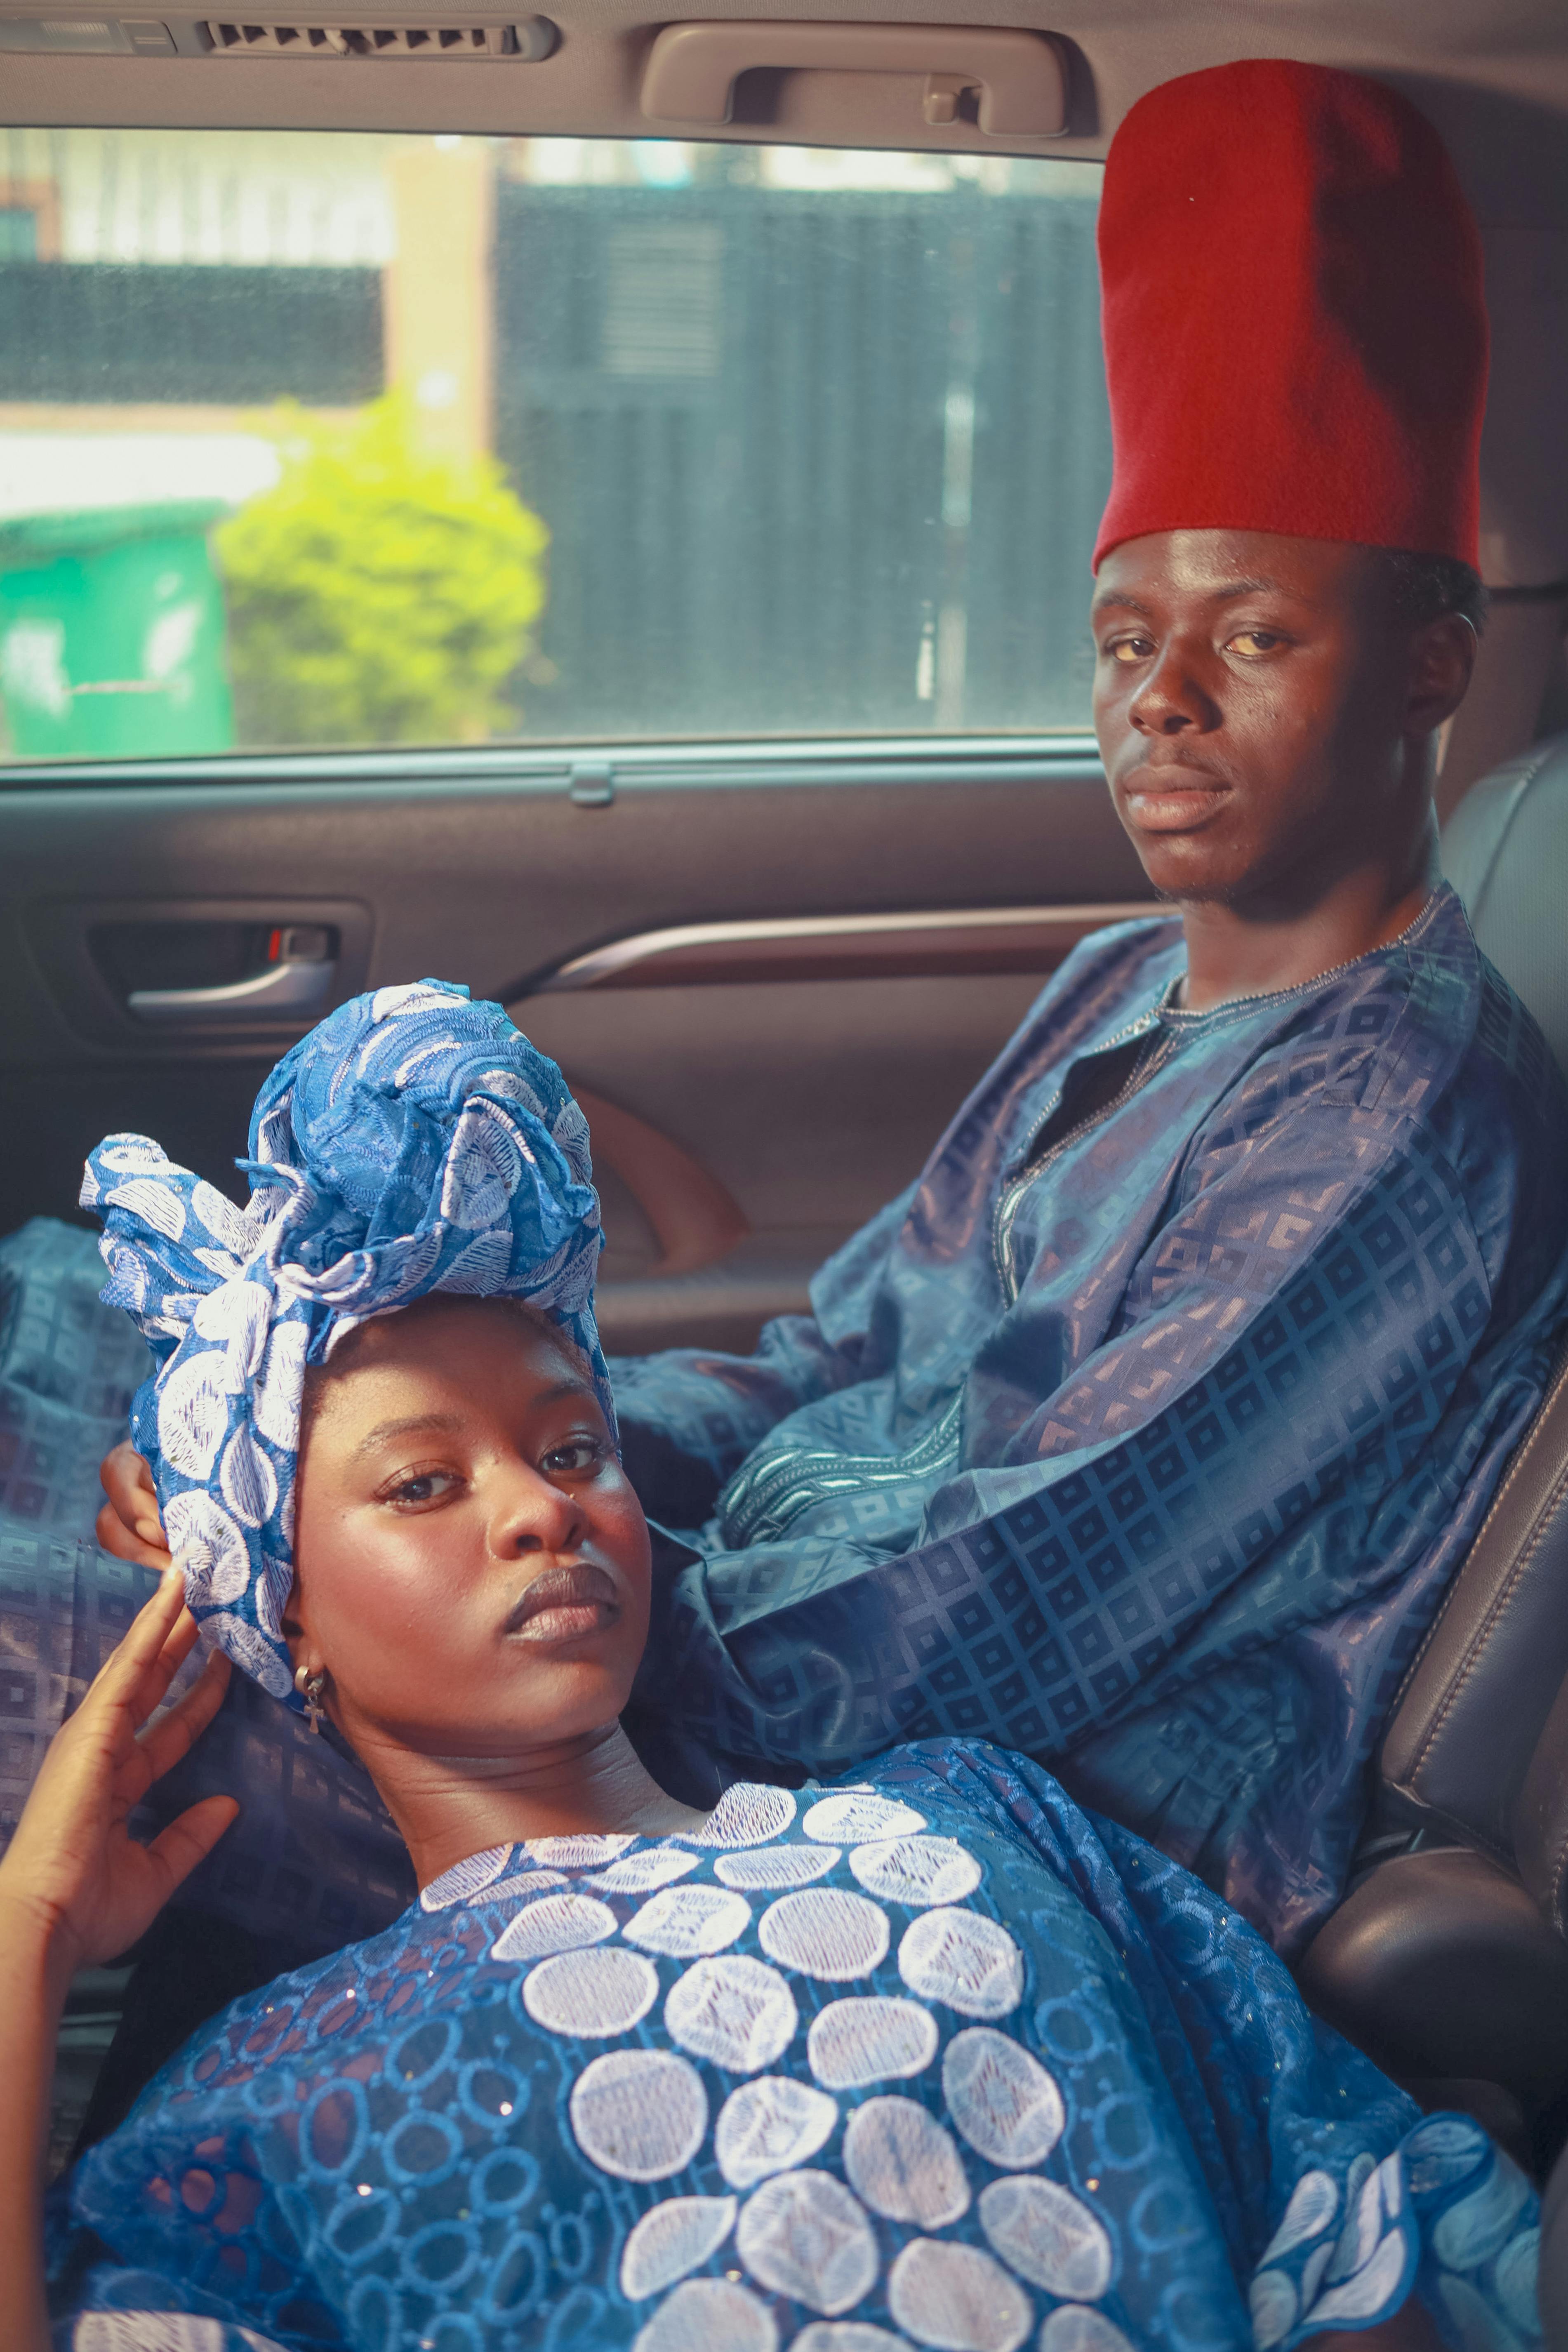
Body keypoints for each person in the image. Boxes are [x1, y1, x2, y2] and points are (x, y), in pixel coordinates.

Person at [96, 61, 1568, 1962]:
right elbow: (832, 1348)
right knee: (77, 1366)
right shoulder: (1123, 980)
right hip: (752, 1660)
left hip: (1003, 1808)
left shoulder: (1397, 1119)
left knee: (88, 1651)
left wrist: (484, 1613)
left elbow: (1027, 1590)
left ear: (1436, 658)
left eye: (1255, 636)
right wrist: (400, 1471)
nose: (1163, 703)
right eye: (1126, 642)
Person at [0, 982, 1540, 2352]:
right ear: (291, 1621)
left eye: (573, 1449)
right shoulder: (267, 2101)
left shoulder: (981, 1817)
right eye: (424, 1484)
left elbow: (1334, 2232)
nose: (542, 1508)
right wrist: (34, 1929)